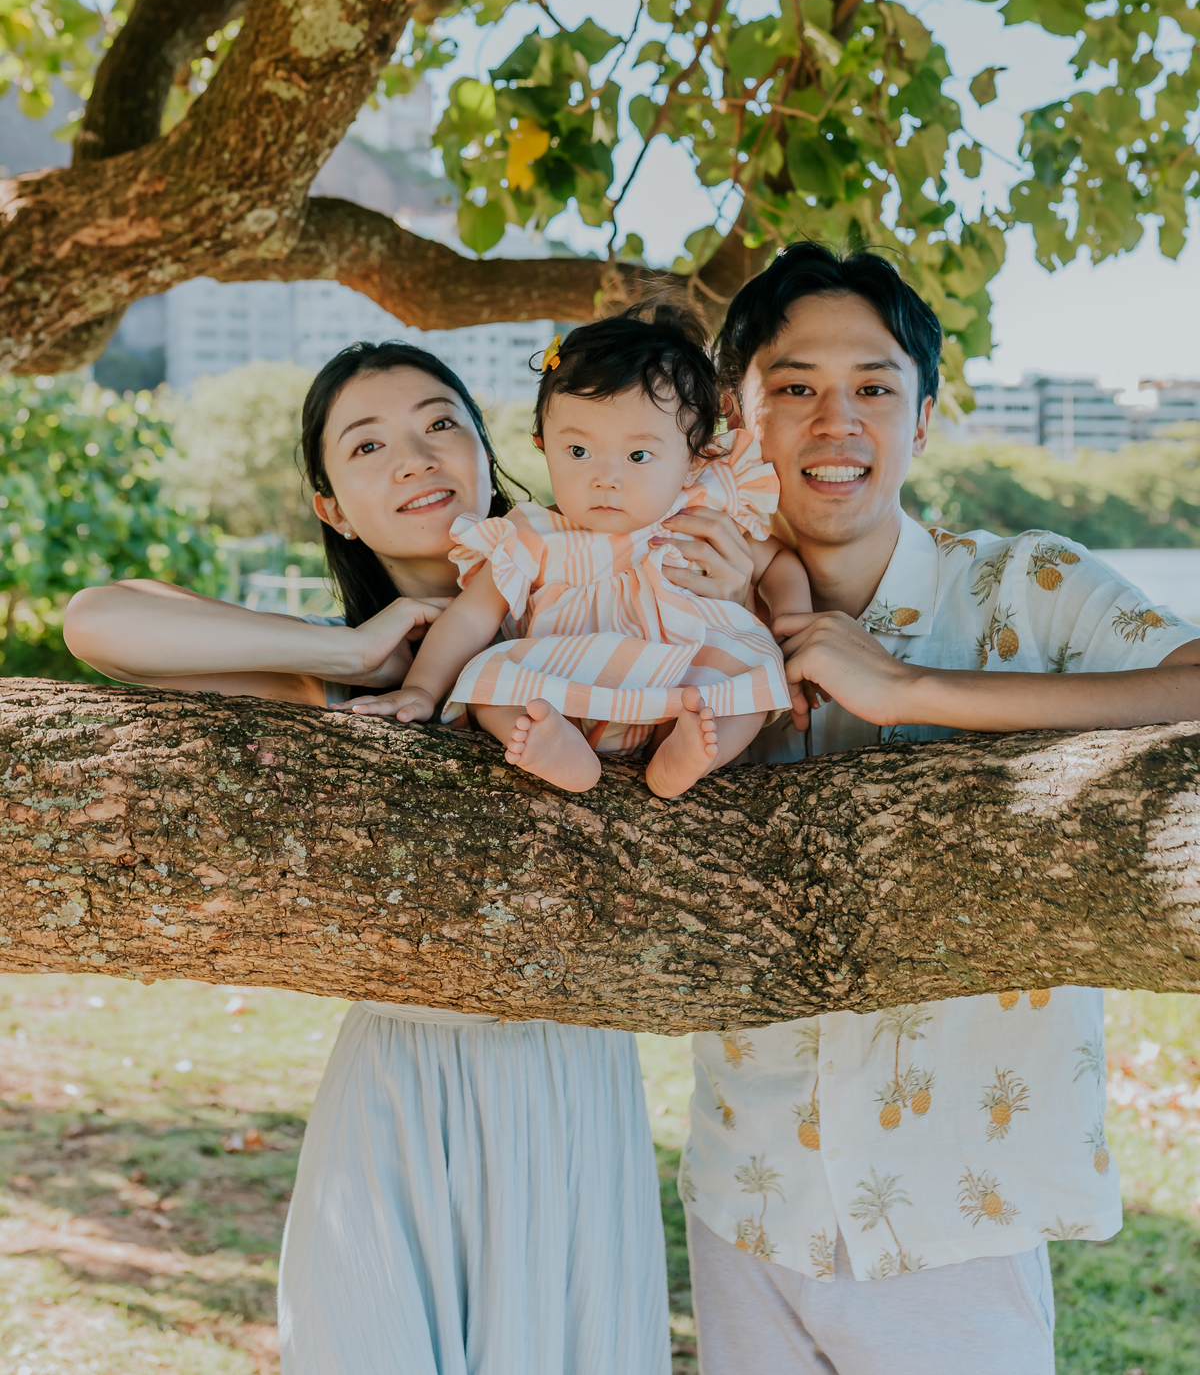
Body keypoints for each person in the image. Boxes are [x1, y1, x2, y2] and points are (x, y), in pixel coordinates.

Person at [64, 340, 680, 1375]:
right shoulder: (337, 674)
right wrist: (352, 653)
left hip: (571, 1084)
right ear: (334, 507)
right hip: (397, 1087)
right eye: (368, 444)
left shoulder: (613, 624)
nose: (415, 456)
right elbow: (100, 623)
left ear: (490, 452)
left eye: (441, 422)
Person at [670, 243, 1200, 1375]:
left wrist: (909, 690)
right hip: (748, 1185)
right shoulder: (682, 601)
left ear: (925, 418)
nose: (836, 420)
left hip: (960, 1198)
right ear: (735, 420)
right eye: (795, 387)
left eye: (873, 386)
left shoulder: (1026, 584)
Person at [355, 306, 809, 798]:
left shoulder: (705, 505)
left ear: (695, 459)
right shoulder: (530, 534)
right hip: (566, 683)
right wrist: (421, 689)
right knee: (488, 679)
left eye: (638, 456)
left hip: (681, 686)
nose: (604, 477)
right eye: (577, 452)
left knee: (751, 667)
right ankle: (555, 749)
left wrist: (793, 626)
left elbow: (779, 563)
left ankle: (687, 757)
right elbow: (469, 619)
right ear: (542, 445)